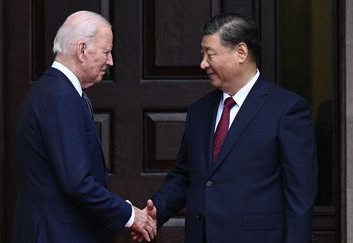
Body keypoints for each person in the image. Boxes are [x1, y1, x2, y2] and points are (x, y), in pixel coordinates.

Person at [133, 13, 317, 243]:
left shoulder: (286, 109)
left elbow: (300, 193)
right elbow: (184, 175)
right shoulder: (200, 111)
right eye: (202, 55)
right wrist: (156, 211)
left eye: (210, 54)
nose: (203, 64)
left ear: (241, 52)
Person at [11, 11, 156, 243]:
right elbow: (77, 183)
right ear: (81, 50)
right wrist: (130, 215)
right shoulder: (60, 97)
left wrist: (122, 209)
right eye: (106, 52)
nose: (110, 61)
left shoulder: (52, 90)